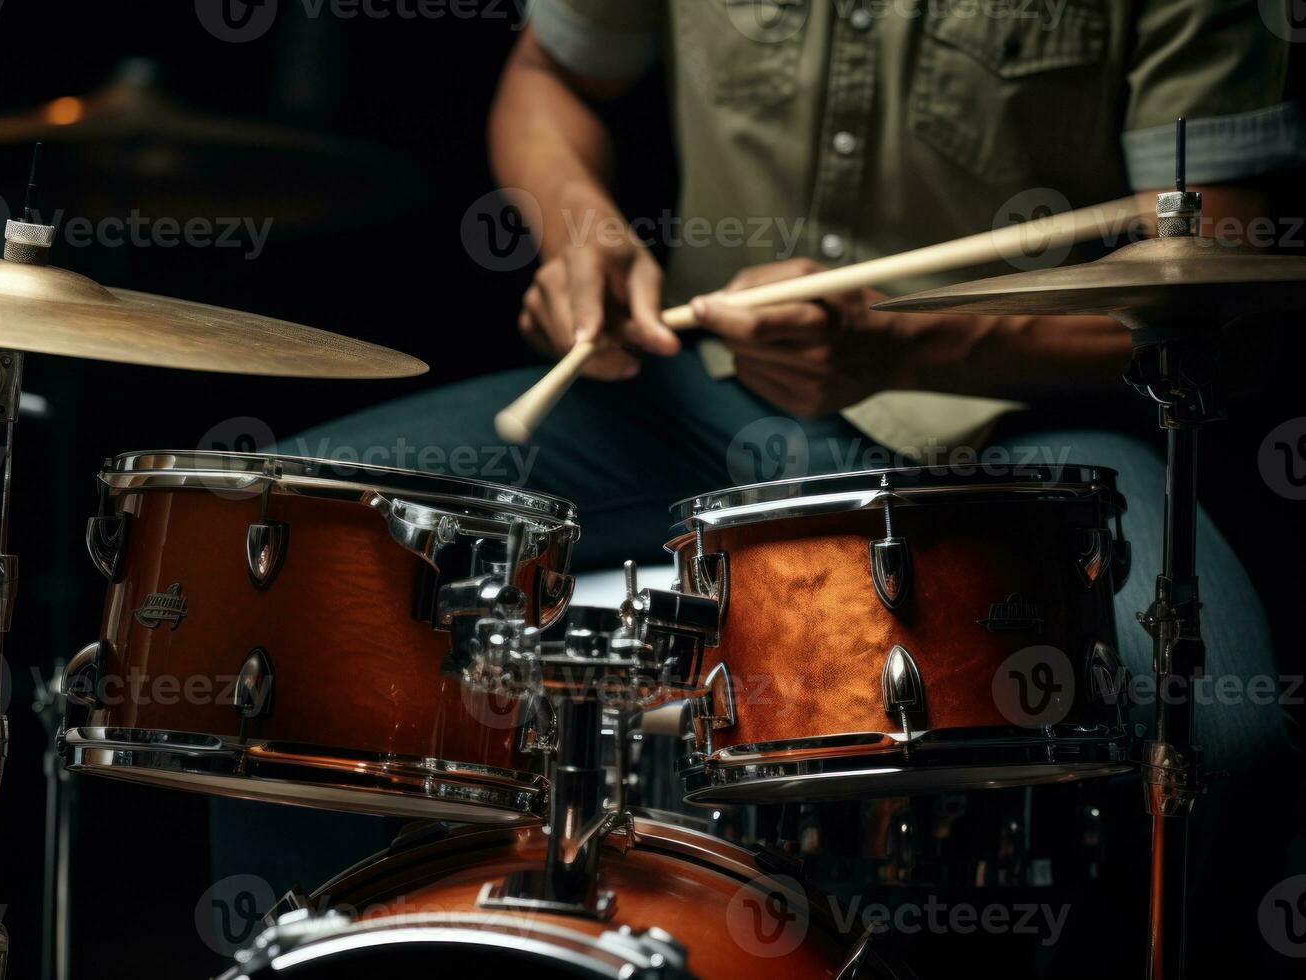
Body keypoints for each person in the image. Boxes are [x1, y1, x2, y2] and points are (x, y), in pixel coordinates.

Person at [214, 3, 1302, 973]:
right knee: (301, 554)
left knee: (1220, 720)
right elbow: (550, 72)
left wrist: (917, 340)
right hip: (706, 394)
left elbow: (1224, 278)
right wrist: (581, 231)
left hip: (1027, 428)